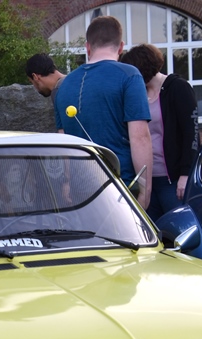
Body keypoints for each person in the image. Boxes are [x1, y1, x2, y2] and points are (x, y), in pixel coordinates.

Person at [54, 16, 152, 209]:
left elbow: (63, 141)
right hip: (119, 188)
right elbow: (140, 137)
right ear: (121, 47)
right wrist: (145, 190)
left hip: (80, 191)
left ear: (87, 47)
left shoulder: (64, 85)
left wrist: (67, 183)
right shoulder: (129, 76)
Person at [121, 43, 199, 221]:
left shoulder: (178, 88)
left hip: (172, 181)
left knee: (180, 228)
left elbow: (191, 134)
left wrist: (185, 175)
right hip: (146, 180)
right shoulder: (138, 94)